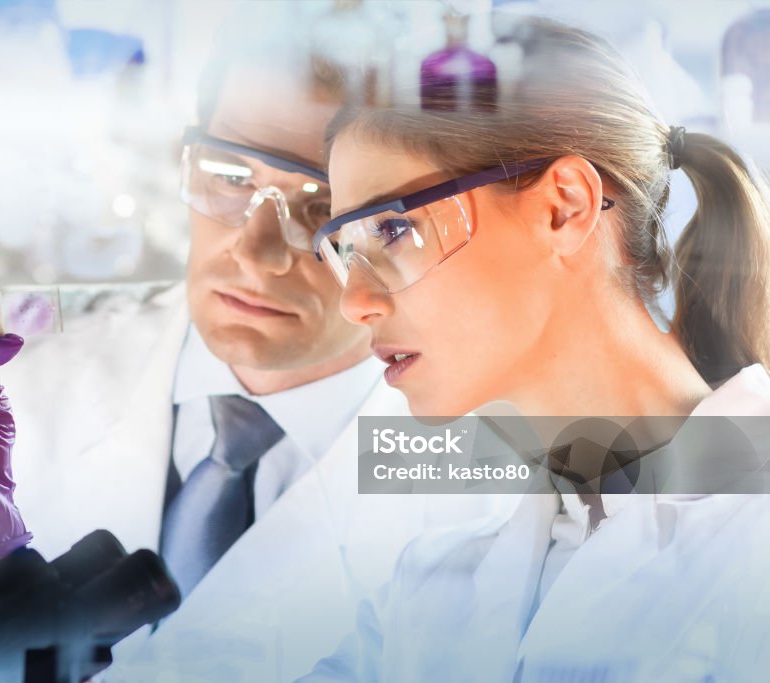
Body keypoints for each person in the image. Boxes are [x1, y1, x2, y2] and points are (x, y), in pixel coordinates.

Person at [0, 14, 510, 683]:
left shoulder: (494, 477)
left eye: (327, 207)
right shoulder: (3, 391)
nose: (257, 253)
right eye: (230, 175)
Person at [299, 15, 770, 682]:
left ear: (565, 207)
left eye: (396, 228)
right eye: (346, 250)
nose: (355, 301)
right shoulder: (426, 591)